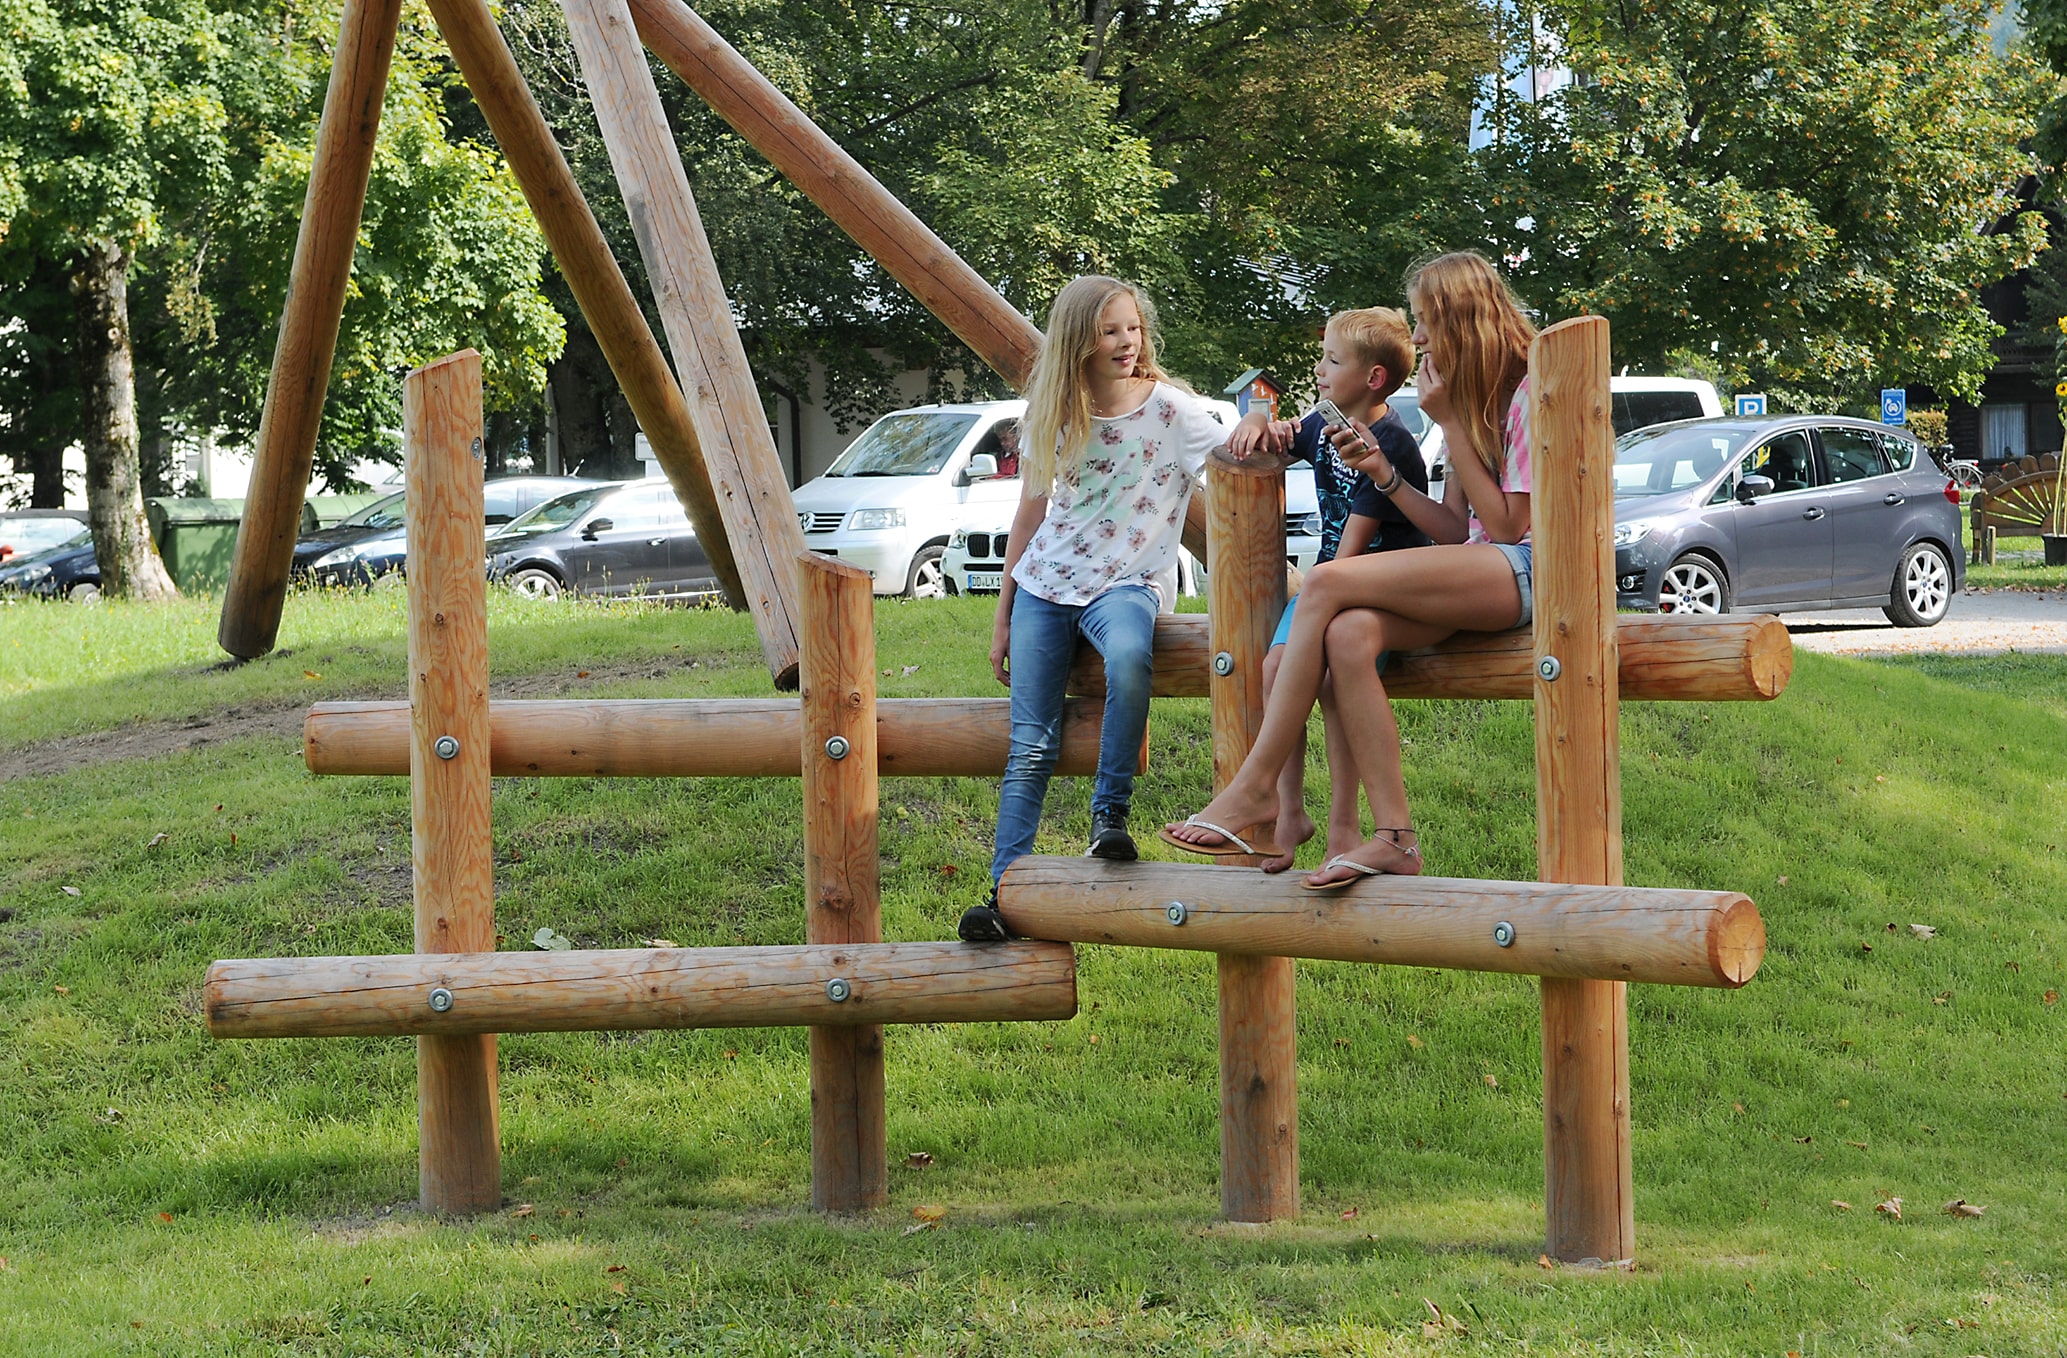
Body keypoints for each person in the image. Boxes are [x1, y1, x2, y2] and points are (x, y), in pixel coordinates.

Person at [1161, 251, 1536, 889]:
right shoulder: (1466, 397)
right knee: (1347, 634)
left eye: (1424, 320)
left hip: (1528, 571)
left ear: (1460, 319)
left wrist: (1447, 423)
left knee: (1328, 580)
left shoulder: (1530, 390)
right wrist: (1382, 475)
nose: (1418, 337)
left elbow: (1506, 527)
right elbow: (1451, 528)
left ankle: (1256, 786)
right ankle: (1393, 836)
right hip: (1478, 567)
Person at [958, 275, 1234, 941]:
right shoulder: (1054, 411)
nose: (1125, 342)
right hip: (1046, 585)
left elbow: (1234, 454)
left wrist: (1269, 430)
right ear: (1080, 339)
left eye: (1132, 328)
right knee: (1029, 745)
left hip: (1127, 586)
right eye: (1110, 331)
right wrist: (1003, 614)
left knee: (1131, 658)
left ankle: (1108, 815)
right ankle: (1003, 894)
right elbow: (1030, 516)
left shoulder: (1172, 412)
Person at [1220, 307, 1430, 873]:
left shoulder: (1389, 442)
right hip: (1330, 588)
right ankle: (1290, 812)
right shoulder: (1324, 420)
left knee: (1336, 681)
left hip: (1377, 589)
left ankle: (1344, 822)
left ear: (1374, 378)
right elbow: (1281, 435)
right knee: (1271, 670)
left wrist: (1319, 599)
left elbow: (1349, 557)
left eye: (1332, 361)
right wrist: (1258, 417)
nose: (1318, 369)